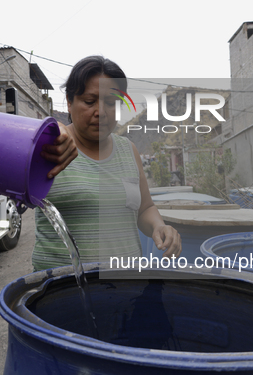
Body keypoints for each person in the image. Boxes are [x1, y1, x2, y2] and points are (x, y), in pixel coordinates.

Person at [34, 55, 181, 271]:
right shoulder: (49, 147)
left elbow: (144, 208)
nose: (101, 112)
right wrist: (44, 132)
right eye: (89, 101)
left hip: (126, 288)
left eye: (111, 103)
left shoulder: (128, 149)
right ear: (69, 101)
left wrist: (159, 226)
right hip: (61, 293)